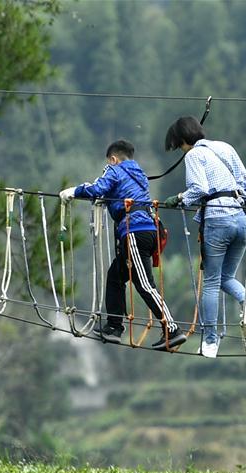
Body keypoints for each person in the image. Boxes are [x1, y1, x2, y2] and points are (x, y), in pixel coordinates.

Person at [60, 140, 186, 350]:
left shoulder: (114, 170)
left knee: (145, 284)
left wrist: (74, 191)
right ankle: (114, 327)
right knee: (116, 276)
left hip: (135, 231)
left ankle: (172, 329)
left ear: (113, 159)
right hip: (144, 229)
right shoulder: (139, 175)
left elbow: (98, 188)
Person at [164, 116, 246, 359]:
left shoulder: (194, 155)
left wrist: (180, 198)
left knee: (210, 282)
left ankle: (209, 341)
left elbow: (199, 189)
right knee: (225, 277)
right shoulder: (225, 147)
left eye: (180, 146)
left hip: (217, 220)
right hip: (240, 219)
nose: (182, 150)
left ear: (184, 140)